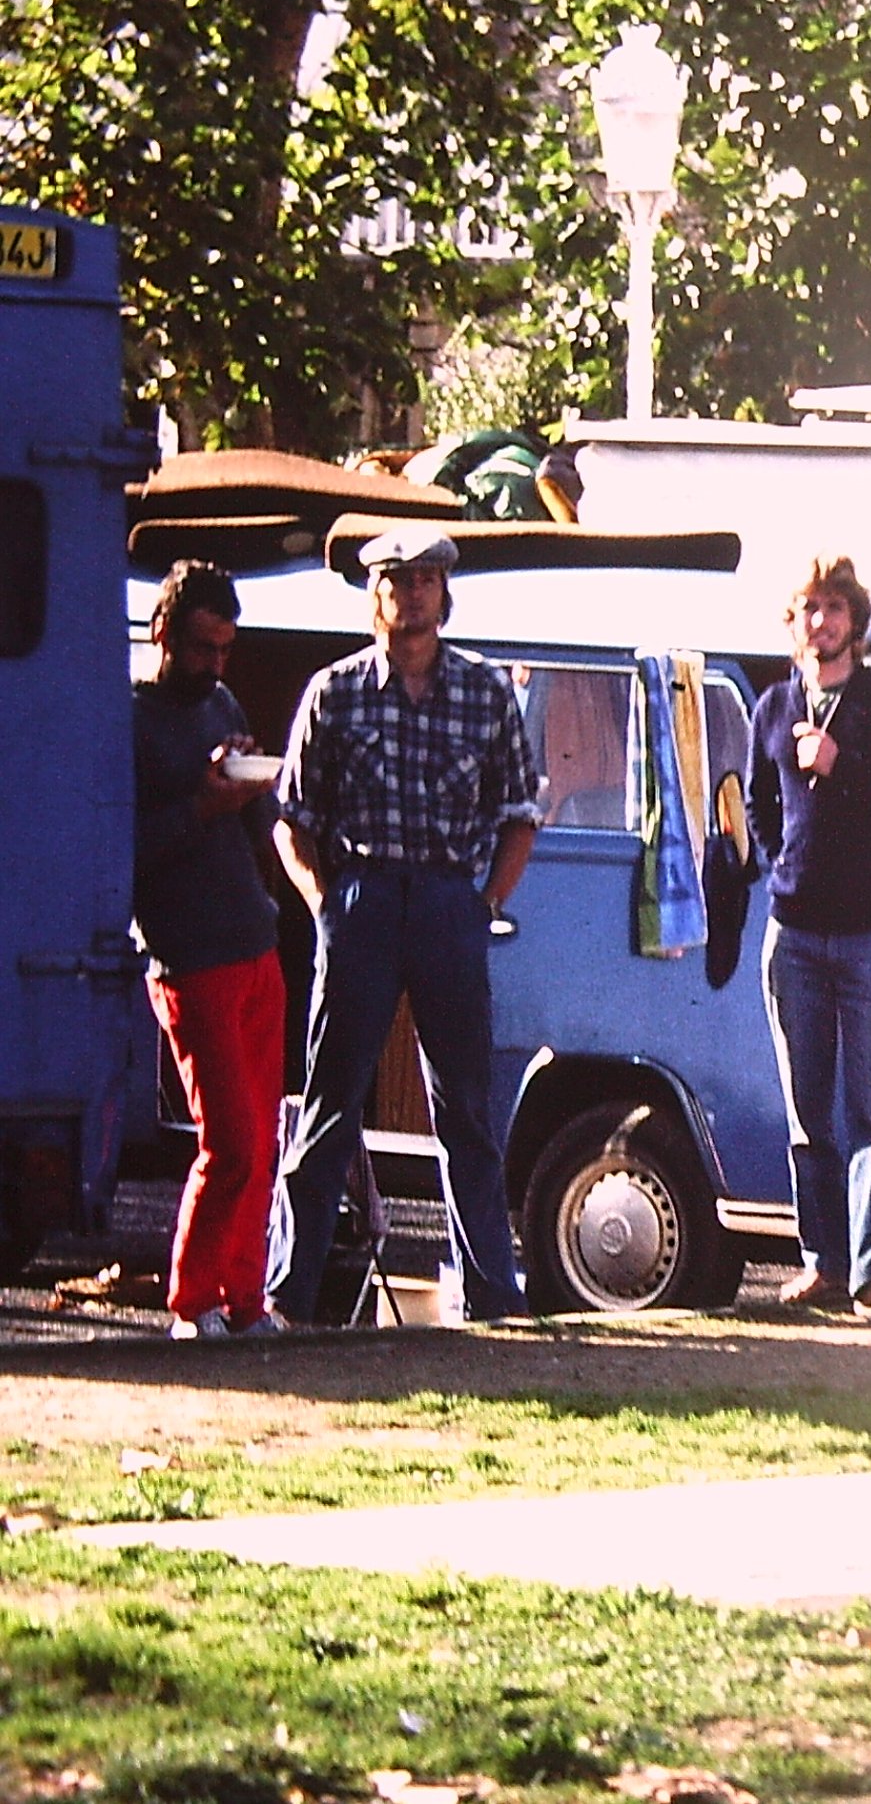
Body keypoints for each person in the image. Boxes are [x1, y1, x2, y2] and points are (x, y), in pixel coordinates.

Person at [270, 526, 539, 1323]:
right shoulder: (334, 691)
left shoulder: (486, 691)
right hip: (362, 899)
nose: (411, 592)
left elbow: (521, 814)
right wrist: (327, 903)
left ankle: (491, 1293)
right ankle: (292, 1295)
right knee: (331, 1100)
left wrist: (484, 903)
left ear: (444, 595)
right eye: (395, 579)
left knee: (466, 1108)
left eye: (424, 579)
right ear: (373, 595)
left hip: (452, 903)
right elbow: (292, 819)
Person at [748, 555, 871, 1322]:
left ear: (854, 620)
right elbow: (760, 801)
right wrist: (781, 864)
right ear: (792, 621)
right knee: (807, 1112)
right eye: (806, 607)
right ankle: (821, 1263)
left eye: (833, 607)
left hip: (868, 933)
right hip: (793, 933)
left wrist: (843, 764)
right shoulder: (773, 705)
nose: (820, 621)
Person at [133, 561, 288, 1340]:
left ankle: (247, 1300)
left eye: (226, 649)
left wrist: (250, 792)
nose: (215, 665)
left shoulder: (221, 701)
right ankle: (193, 1303)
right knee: (227, 1139)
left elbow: (255, 824)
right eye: (202, 647)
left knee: (262, 1141)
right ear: (164, 632)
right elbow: (120, 854)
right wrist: (202, 801)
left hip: (254, 942)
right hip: (189, 958)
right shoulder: (128, 719)